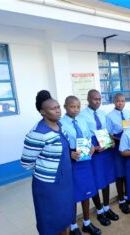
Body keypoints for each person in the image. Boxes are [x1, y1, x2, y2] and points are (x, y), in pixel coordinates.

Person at [21, 90, 74, 235]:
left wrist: (71, 155)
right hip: (48, 186)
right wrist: (47, 167)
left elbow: (62, 150)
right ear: (42, 112)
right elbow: (26, 163)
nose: (57, 111)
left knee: (65, 216)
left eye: (58, 107)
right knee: (50, 220)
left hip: (65, 182)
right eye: (53, 109)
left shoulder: (60, 126)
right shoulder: (37, 134)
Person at [60, 96, 101, 235]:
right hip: (72, 161)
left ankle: (87, 223)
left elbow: (88, 137)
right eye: (72, 106)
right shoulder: (61, 123)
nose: (75, 109)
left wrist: (92, 147)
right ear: (65, 106)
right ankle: (73, 227)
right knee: (73, 195)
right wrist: (69, 154)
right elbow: (60, 145)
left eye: (78, 106)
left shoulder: (82, 120)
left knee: (86, 192)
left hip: (85, 160)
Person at [79, 90, 119, 227]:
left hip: (106, 150)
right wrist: (94, 148)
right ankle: (100, 210)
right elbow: (83, 135)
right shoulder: (82, 116)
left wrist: (112, 142)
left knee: (106, 179)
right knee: (96, 181)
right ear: (88, 99)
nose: (98, 101)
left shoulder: (103, 114)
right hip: (93, 151)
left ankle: (107, 207)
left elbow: (107, 132)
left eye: (99, 99)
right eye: (95, 99)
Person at [106, 93, 130, 214]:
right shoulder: (109, 116)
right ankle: (121, 200)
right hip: (118, 146)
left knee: (127, 172)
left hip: (129, 146)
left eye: (122, 101)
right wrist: (119, 139)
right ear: (114, 102)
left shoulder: (128, 113)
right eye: (118, 101)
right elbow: (109, 134)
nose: (120, 103)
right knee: (119, 174)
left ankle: (128, 196)